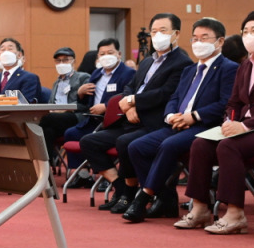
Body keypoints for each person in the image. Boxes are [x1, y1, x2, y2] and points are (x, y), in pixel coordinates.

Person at [177, 11, 254, 234]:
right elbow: (233, 102)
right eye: (245, 31)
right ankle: (200, 208)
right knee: (200, 144)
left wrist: (243, 126)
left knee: (229, 146)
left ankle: (235, 214)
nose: (248, 35)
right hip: (242, 128)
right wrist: (229, 122)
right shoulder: (245, 65)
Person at [124, 17, 239, 223]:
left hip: (205, 125)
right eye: (194, 38)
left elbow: (225, 102)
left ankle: (144, 197)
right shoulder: (189, 70)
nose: (198, 43)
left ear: (220, 41)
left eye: (204, 38)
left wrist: (193, 116)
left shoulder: (228, 68)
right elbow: (175, 98)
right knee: (136, 147)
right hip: (177, 123)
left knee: (169, 145)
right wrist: (170, 115)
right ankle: (164, 196)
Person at [80, 13, 193, 214]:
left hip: (154, 122)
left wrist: (134, 102)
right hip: (130, 119)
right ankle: (121, 187)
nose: (157, 35)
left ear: (176, 34)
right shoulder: (148, 61)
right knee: (90, 141)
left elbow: (165, 94)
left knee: (125, 142)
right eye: (154, 31)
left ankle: (132, 193)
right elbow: (129, 87)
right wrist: (129, 104)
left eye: (163, 31)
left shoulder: (182, 62)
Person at [63, 38, 135, 188]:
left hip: (115, 121)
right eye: (102, 53)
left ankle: (107, 179)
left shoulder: (128, 73)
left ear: (119, 54)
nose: (106, 56)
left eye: (110, 52)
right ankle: (82, 174)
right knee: (71, 133)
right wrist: (81, 93)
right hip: (94, 119)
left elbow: (127, 96)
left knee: (94, 141)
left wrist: (107, 106)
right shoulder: (96, 73)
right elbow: (85, 102)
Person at [38, 47, 90, 165]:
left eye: (66, 60)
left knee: (43, 120)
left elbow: (85, 105)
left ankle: (39, 161)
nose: (61, 63)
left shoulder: (83, 77)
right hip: (55, 119)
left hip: (75, 116)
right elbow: (51, 104)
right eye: (58, 61)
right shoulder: (56, 83)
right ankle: (47, 166)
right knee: (48, 130)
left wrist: (64, 109)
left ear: (73, 61)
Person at [0, 38, 41, 103]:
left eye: (10, 49)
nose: (6, 52)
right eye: (3, 49)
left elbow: (26, 102)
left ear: (19, 55)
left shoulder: (29, 77)